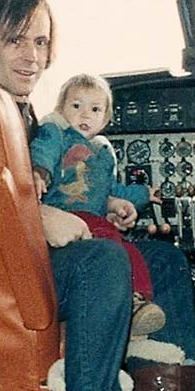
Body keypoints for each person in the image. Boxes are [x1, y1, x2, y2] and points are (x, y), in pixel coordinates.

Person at [0, 0, 195, 391]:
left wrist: (104, 204)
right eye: (16, 40)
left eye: (40, 42)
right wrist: (37, 215)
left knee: (166, 261)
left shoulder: (18, 110)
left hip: (31, 255)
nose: (32, 57)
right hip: (2, 269)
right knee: (104, 259)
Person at [29, 73, 165, 337]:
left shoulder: (104, 154)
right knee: (109, 244)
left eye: (94, 109)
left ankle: (138, 301)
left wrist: (143, 194)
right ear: (61, 109)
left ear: (104, 119)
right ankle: (129, 306)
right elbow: (43, 149)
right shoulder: (58, 132)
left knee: (129, 251)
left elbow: (112, 191)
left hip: (95, 218)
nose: (85, 115)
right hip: (65, 216)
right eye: (76, 106)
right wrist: (40, 172)